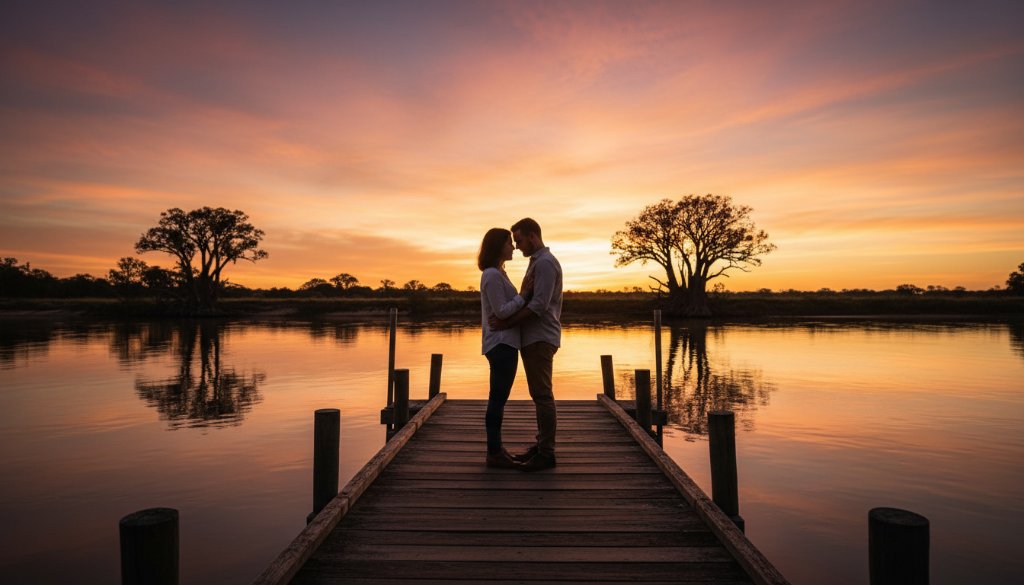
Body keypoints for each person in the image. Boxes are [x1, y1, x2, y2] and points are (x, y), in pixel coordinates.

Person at [489, 218, 562, 472]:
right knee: (539, 394)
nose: (517, 246)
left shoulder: (544, 264)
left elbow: (539, 306)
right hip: (533, 338)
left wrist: (507, 324)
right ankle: (541, 446)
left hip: (540, 338)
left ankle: (546, 454)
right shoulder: (537, 263)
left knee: (542, 395)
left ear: (532, 236)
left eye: (518, 240)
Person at [478, 228, 533, 469]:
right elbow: (501, 311)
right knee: (497, 399)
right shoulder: (491, 275)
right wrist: (523, 295)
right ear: (497, 246)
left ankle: (496, 449)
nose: (513, 247)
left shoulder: (499, 273)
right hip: (500, 344)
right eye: (508, 243)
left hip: (505, 343)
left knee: (498, 398)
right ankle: (493, 452)